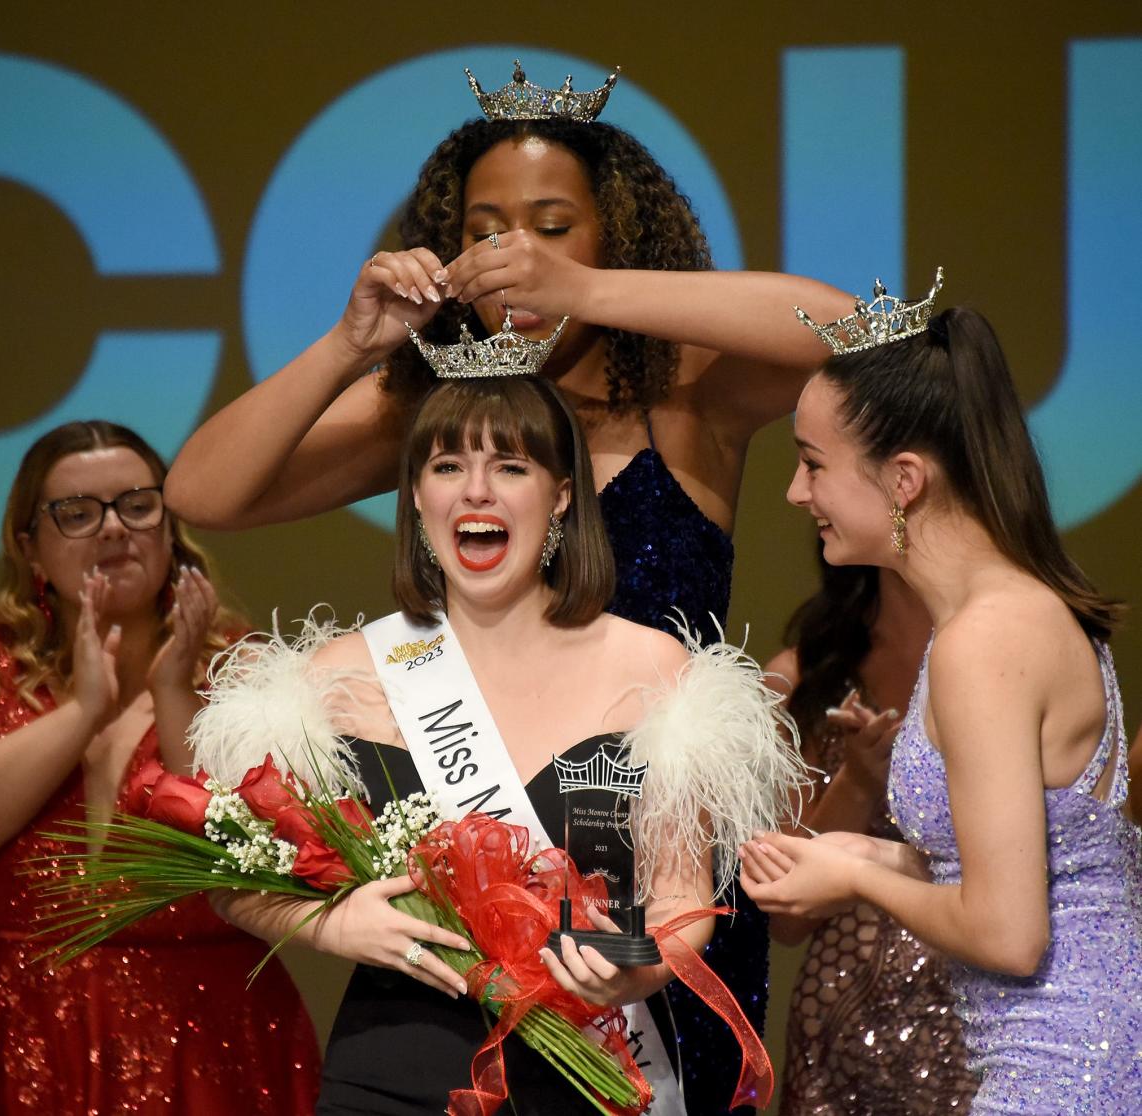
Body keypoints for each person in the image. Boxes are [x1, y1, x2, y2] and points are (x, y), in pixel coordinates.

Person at [164, 61, 851, 1112]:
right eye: (483, 231)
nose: (512, 256)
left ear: (614, 238)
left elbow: (850, 327)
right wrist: (352, 344)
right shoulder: (427, 417)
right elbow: (201, 490)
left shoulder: (685, 398)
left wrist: (586, 294)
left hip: (654, 892)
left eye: (550, 227)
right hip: (471, 879)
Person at [190, 365, 804, 1115]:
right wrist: (331, 920)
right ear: (417, 497)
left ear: (562, 496)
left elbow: (685, 901)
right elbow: (232, 881)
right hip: (390, 1079)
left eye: (509, 466)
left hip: (591, 1078)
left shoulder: (651, 667)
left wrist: (634, 970)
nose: (476, 491)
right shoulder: (342, 677)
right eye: (448, 466)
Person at [739, 286, 1142, 1111]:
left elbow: (1008, 933)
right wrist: (860, 854)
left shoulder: (983, 640)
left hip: (1060, 1071)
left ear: (905, 480)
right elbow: (1031, 866)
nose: (795, 493)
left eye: (814, 464)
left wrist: (858, 881)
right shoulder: (1006, 611)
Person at [0, 421, 321, 1115]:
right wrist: (81, 714)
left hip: (202, 1041)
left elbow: (248, 859)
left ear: (171, 526)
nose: (112, 529)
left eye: (136, 505)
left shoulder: (240, 668)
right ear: (29, 547)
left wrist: (175, 692)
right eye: (76, 512)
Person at [764, 557, 977, 1113]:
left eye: (815, 467)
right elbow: (784, 913)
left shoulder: (1003, 657)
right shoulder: (805, 674)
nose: (802, 493)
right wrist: (859, 779)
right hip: (843, 1016)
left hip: (980, 1006)